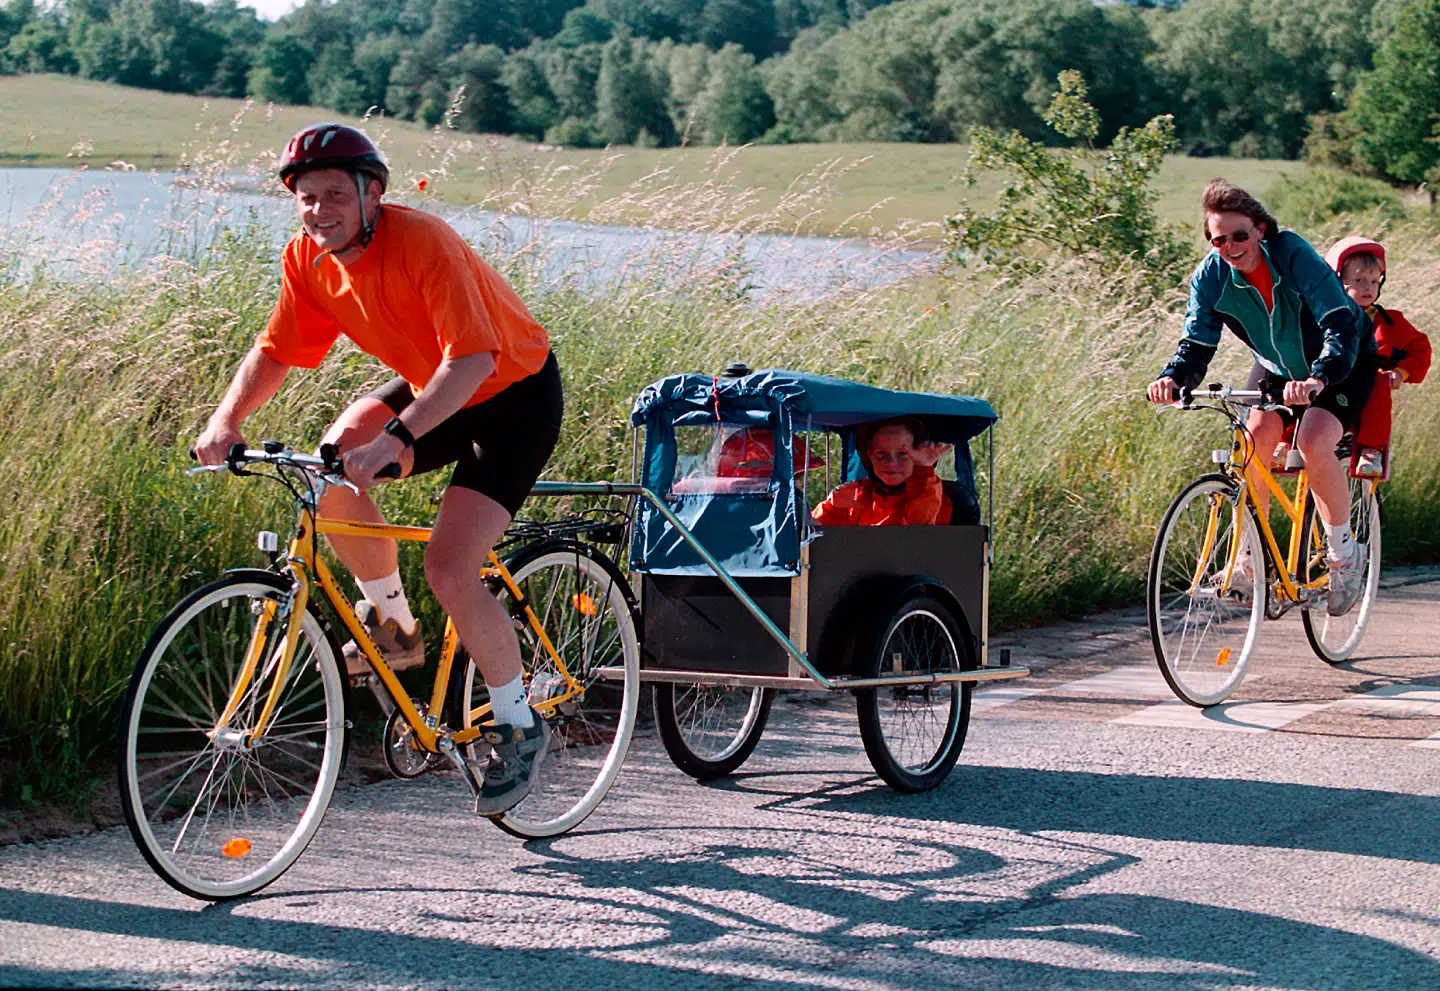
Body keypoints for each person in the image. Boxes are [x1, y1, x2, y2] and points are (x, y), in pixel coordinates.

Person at [193, 123, 562, 816]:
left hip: (511, 395)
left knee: (450, 569)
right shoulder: (307, 258)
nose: (318, 209)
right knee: (331, 467)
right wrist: (224, 420)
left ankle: (519, 724)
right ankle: (396, 629)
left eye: (335, 194)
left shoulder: (422, 242)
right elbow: (276, 350)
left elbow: (474, 359)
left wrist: (396, 437)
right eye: (306, 196)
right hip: (435, 387)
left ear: (373, 195)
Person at [1147, 179, 1378, 616]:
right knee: (1253, 441)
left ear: (1260, 229)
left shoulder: (1292, 254)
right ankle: (1249, 560)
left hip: (1343, 361)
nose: (1230, 247)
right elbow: (1196, 343)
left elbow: (1339, 324)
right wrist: (1171, 378)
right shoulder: (1211, 278)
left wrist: (1320, 378)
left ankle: (1344, 553)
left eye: (1239, 235)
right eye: (1218, 240)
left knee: (1313, 441)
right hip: (1278, 368)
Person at [1323, 236, 1431, 479]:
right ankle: (1287, 441)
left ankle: (1371, 450)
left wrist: (1400, 372)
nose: (1368, 288)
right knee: (1300, 382)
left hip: (1367, 396)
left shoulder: (1389, 322)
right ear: (1337, 282)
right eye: (1359, 281)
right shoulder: (1323, 318)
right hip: (1330, 388)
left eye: (1374, 281)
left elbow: (1420, 349)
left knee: (1376, 381)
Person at [812, 418, 953, 526]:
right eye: (881, 453)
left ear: (919, 457)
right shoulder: (853, 494)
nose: (891, 462)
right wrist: (833, 506)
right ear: (869, 456)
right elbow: (811, 535)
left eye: (903, 454)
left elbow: (914, 530)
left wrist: (923, 469)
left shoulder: (933, 498)